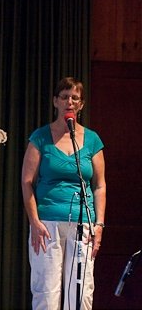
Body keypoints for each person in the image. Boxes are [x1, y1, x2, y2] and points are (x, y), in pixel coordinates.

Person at [21, 77, 106, 309]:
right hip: (47, 225)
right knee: (46, 292)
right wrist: (34, 221)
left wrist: (99, 224)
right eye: (65, 97)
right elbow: (27, 182)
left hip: (83, 224)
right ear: (55, 101)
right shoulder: (40, 137)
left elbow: (99, 185)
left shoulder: (92, 140)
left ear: (81, 105)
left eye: (75, 98)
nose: (70, 101)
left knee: (80, 293)